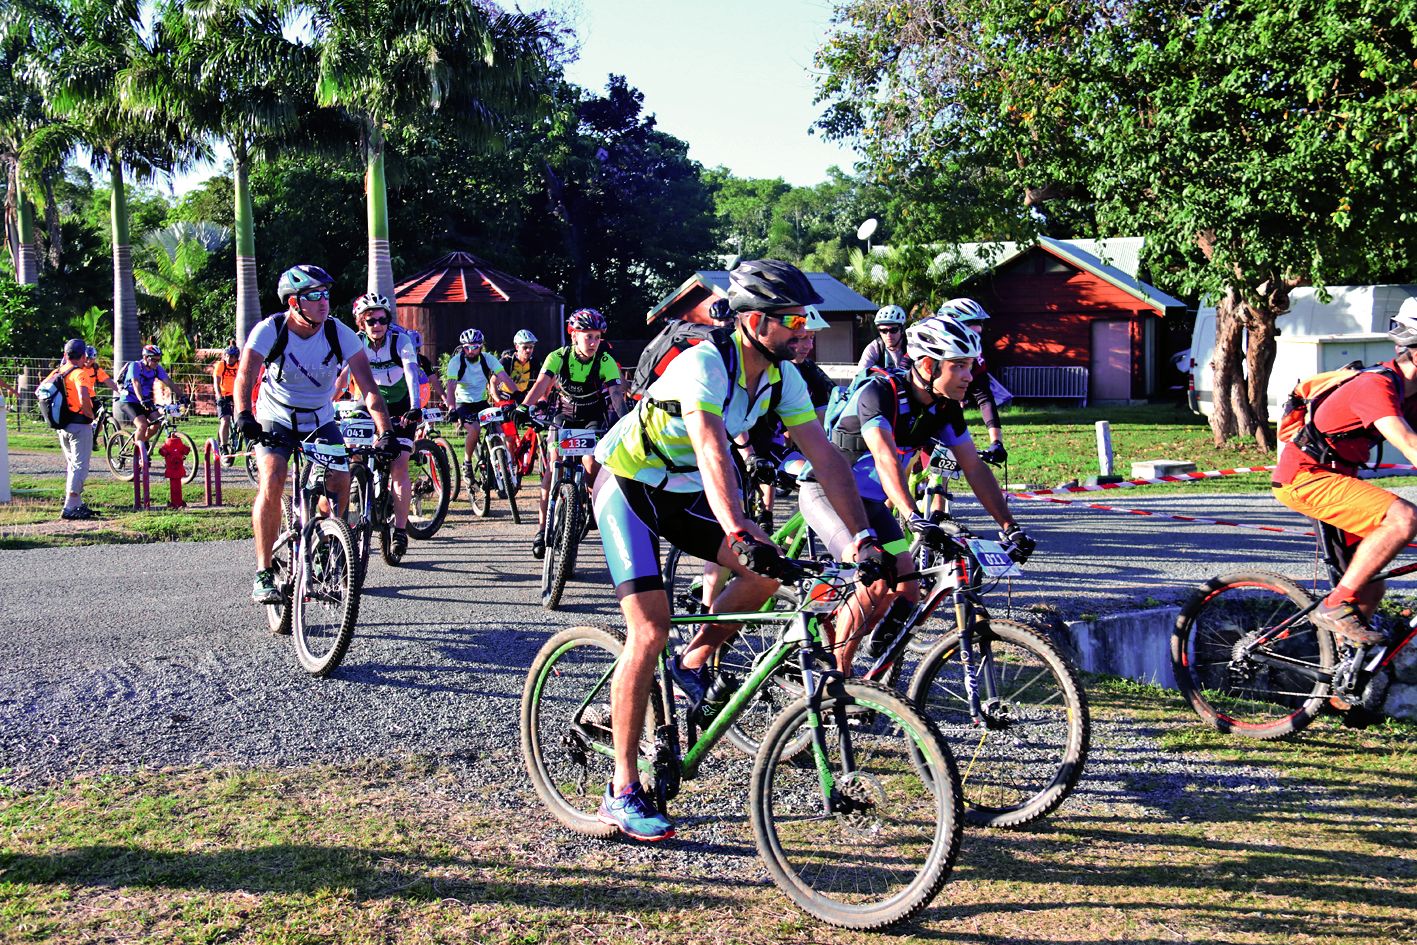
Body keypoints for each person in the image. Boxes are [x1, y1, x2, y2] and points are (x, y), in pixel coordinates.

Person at [591, 259, 887, 841]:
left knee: (770, 575)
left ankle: (692, 663)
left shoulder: (785, 376)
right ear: (754, 321)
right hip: (627, 485)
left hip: (680, 492)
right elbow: (710, 449)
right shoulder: (704, 361)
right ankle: (621, 789)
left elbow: (826, 458)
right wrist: (736, 532)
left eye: (810, 319)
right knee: (648, 629)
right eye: (795, 320)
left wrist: (860, 539)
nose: (808, 331)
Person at [799, 314, 1035, 673]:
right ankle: (839, 678)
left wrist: (1009, 526)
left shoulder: (944, 407)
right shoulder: (879, 394)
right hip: (827, 493)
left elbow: (974, 467)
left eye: (971, 366)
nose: (969, 377)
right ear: (927, 364)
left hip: (871, 504)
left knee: (908, 589)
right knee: (876, 580)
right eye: (959, 366)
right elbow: (883, 457)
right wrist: (913, 516)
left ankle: (877, 659)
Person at [235, 263, 395, 605]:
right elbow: (245, 375)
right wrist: (244, 415)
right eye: (314, 296)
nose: (324, 302)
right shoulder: (271, 329)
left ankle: (324, 540)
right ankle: (264, 572)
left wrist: (386, 432)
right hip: (275, 416)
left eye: (326, 295)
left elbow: (369, 389)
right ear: (294, 302)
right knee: (274, 477)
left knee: (339, 477)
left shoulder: (339, 333)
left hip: (319, 419)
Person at [1270, 301, 1417, 646]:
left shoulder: (1412, 396)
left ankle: (1341, 681)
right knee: (1403, 519)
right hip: (1305, 476)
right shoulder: (1376, 386)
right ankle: (1334, 605)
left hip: (1339, 478)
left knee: (1370, 584)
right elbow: (1409, 443)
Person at [521, 308, 625, 559]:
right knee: (552, 469)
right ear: (574, 335)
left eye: (597, 337)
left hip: (592, 417)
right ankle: (541, 528)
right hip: (564, 416)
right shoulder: (558, 356)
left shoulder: (605, 361)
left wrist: (624, 420)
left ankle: (591, 508)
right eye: (587, 336)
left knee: (591, 466)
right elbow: (542, 384)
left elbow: (616, 394)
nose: (593, 342)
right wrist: (524, 408)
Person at [341, 293, 422, 563]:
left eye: (382, 319)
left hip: (400, 406)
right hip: (368, 403)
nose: (377, 324)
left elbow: (411, 372)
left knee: (399, 464)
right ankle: (357, 481)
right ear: (361, 323)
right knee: (353, 448)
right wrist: (326, 404)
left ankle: (400, 529)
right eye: (370, 320)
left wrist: (416, 405)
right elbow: (341, 378)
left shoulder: (401, 340)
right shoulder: (355, 342)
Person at [442, 328, 516, 483]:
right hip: (463, 403)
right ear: (463, 347)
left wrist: (517, 395)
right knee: (475, 429)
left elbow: (504, 378)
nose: (470, 351)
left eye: (474, 347)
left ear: (481, 346)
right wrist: (451, 408)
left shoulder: (488, 359)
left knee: (498, 429)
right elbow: (451, 387)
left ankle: (501, 464)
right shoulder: (456, 362)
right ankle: (467, 463)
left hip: (482, 402)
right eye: (467, 347)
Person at [940, 297, 1007, 463]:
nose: (977, 340)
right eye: (971, 333)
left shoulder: (974, 356)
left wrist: (996, 441)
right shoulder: (924, 350)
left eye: (979, 333)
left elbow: (984, 397)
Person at [50, 338, 98, 520]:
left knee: (72, 465)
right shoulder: (80, 373)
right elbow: (83, 395)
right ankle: (71, 505)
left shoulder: (58, 371)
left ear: (65, 355)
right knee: (80, 466)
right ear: (84, 355)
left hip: (62, 425)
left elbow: (40, 390)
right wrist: (90, 416)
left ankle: (75, 504)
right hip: (79, 425)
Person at [117, 344, 173, 448]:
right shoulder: (135, 366)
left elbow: (168, 381)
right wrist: (141, 400)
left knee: (157, 424)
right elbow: (136, 383)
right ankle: (137, 454)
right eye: (154, 360)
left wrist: (182, 396)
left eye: (158, 360)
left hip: (145, 400)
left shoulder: (156, 369)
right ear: (145, 358)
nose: (156, 362)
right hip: (129, 401)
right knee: (142, 425)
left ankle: (141, 443)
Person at [856, 304, 911, 374]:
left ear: (902, 329)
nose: (888, 335)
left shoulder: (912, 346)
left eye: (893, 330)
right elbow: (860, 376)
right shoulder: (875, 348)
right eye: (883, 331)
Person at [211, 345, 241, 455]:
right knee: (225, 420)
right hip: (223, 395)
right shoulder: (221, 365)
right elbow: (216, 382)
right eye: (227, 356)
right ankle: (223, 446)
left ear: (236, 357)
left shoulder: (239, 365)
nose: (229, 359)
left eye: (232, 357)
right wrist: (219, 396)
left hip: (236, 394)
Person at [497, 330, 539, 404]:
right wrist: (500, 402)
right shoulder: (506, 362)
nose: (528, 350)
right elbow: (491, 384)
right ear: (517, 347)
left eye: (531, 347)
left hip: (522, 398)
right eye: (525, 347)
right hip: (505, 398)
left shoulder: (534, 362)